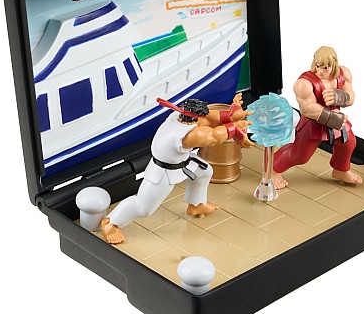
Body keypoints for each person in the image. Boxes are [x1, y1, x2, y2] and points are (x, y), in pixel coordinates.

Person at [101, 95, 252, 244]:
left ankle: (197, 205)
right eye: (202, 117)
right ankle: (111, 223)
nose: (205, 119)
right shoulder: (191, 135)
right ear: (196, 117)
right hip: (162, 171)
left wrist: (232, 115)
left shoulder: (178, 116)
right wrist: (235, 128)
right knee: (143, 208)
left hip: (183, 161)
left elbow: (213, 117)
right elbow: (214, 137)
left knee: (204, 171)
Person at [272, 46, 362, 189]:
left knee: (348, 143)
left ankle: (341, 170)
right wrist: (331, 117)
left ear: (333, 65)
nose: (320, 71)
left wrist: (341, 97)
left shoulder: (343, 74)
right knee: (300, 156)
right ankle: (273, 169)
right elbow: (307, 108)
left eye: (325, 68)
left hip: (338, 120)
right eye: (317, 66)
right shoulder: (304, 83)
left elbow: (351, 96)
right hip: (314, 123)